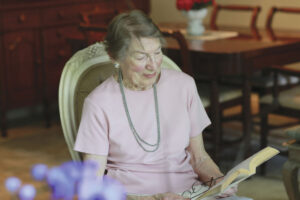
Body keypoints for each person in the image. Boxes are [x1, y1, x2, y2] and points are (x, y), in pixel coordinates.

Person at [74, 10, 249, 200]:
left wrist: (219, 181)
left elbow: (199, 158)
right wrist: (154, 198)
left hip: (191, 194)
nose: (153, 65)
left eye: (157, 53)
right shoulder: (99, 103)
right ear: (115, 57)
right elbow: (92, 183)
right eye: (141, 57)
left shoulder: (184, 85)